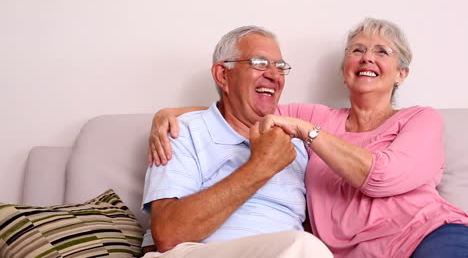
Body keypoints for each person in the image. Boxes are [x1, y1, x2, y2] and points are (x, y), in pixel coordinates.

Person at [148, 18, 468, 257]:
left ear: (401, 74)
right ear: (344, 68)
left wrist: (307, 133)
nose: (367, 58)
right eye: (357, 50)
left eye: (382, 51)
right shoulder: (316, 119)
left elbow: (381, 177)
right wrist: (173, 113)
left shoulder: (418, 118)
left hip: (425, 234)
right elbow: (246, 108)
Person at [141, 25, 332, 257]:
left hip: (285, 251)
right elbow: (168, 235)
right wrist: (262, 166)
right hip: (197, 251)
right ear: (223, 75)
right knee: (304, 246)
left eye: (280, 66)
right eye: (260, 63)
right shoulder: (182, 130)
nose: (274, 75)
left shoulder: (297, 142)